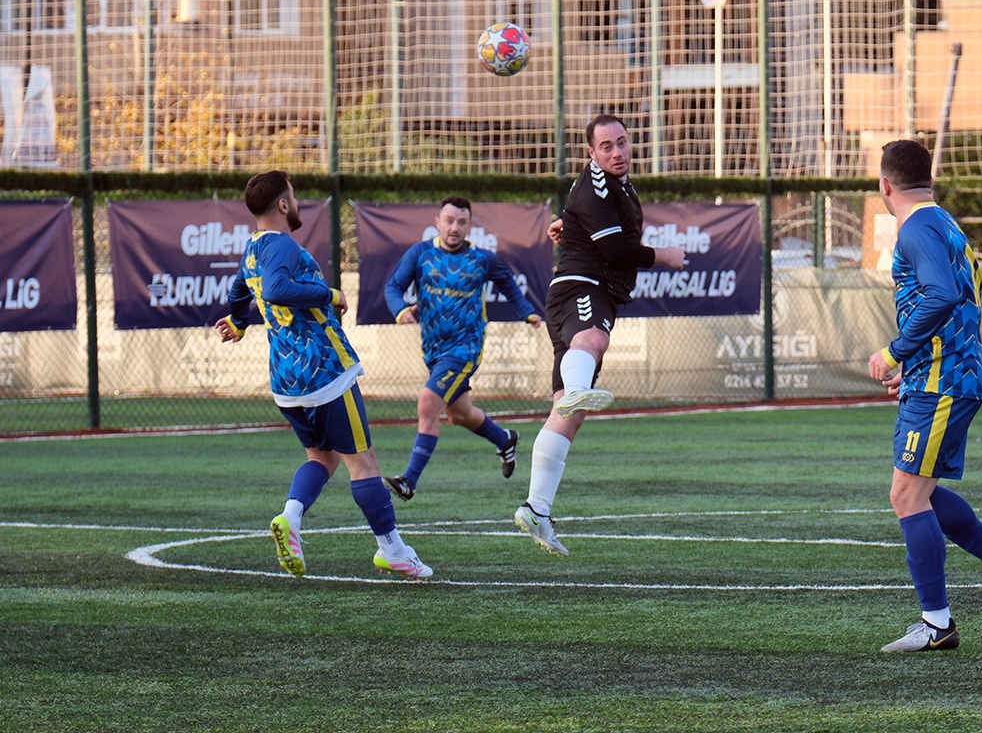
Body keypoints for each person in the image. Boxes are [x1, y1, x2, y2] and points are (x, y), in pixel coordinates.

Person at [215, 170, 431, 579]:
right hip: (324, 371)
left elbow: (239, 292)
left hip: (287, 379)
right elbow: (275, 289)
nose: (297, 202)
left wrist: (240, 323)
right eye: (293, 196)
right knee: (363, 462)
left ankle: (290, 517)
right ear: (282, 204)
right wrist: (330, 294)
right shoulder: (281, 244)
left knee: (322, 458)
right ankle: (393, 550)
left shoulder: (253, 248)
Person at [867, 139, 982, 652]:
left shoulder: (915, 227)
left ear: (884, 185)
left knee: (907, 495)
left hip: (942, 381)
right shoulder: (944, 222)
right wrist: (916, 365)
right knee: (919, 492)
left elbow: (942, 294)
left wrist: (896, 352)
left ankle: (938, 624)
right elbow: (961, 299)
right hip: (940, 376)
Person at [513, 114, 686, 556]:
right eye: (606, 146)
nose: (616, 152)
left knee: (567, 413)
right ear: (591, 152)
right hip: (581, 286)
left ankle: (537, 508)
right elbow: (613, 248)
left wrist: (567, 224)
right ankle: (576, 389)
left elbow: (591, 220)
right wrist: (662, 254)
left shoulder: (617, 185)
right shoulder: (595, 186)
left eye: (621, 143)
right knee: (592, 339)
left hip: (592, 290)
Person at [381, 195, 542, 502]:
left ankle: (409, 481)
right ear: (437, 223)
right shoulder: (420, 254)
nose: (454, 228)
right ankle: (504, 439)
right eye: (449, 221)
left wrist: (527, 312)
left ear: (470, 226)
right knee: (459, 414)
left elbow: (509, 285)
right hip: (433, 349)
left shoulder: (482, 259)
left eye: (461, 222)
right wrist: (399, 309)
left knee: (428, 403)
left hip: (466, 348)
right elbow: (393, 286)